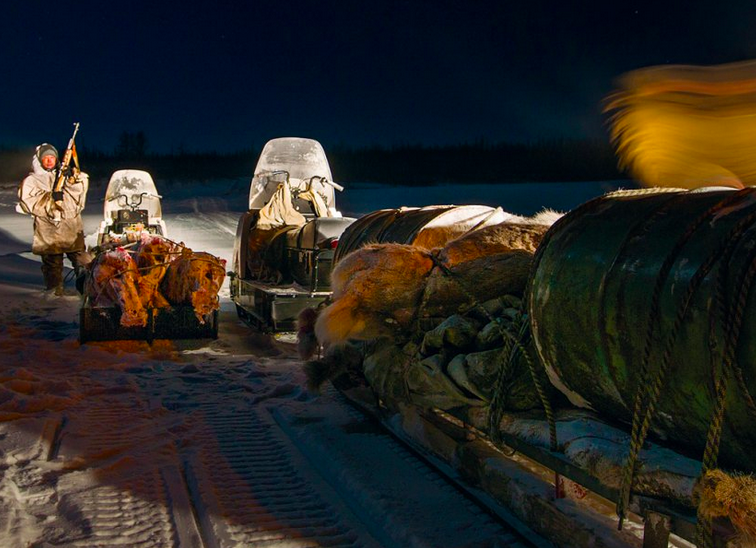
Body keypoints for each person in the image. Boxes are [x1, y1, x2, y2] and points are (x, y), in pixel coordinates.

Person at [17, 143, 89, 295]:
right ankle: (55, 297)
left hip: (71, 229)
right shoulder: (32, 181)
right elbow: (29, 203)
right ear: (39, 160)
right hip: (48, 231)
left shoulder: (66, 174)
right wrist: (51, 199)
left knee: (83, 264)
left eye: (52, 157)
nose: (49, 161)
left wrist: (72, 181)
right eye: (46, 158)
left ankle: (89, 293)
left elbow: (78, 201)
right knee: (52, 267)